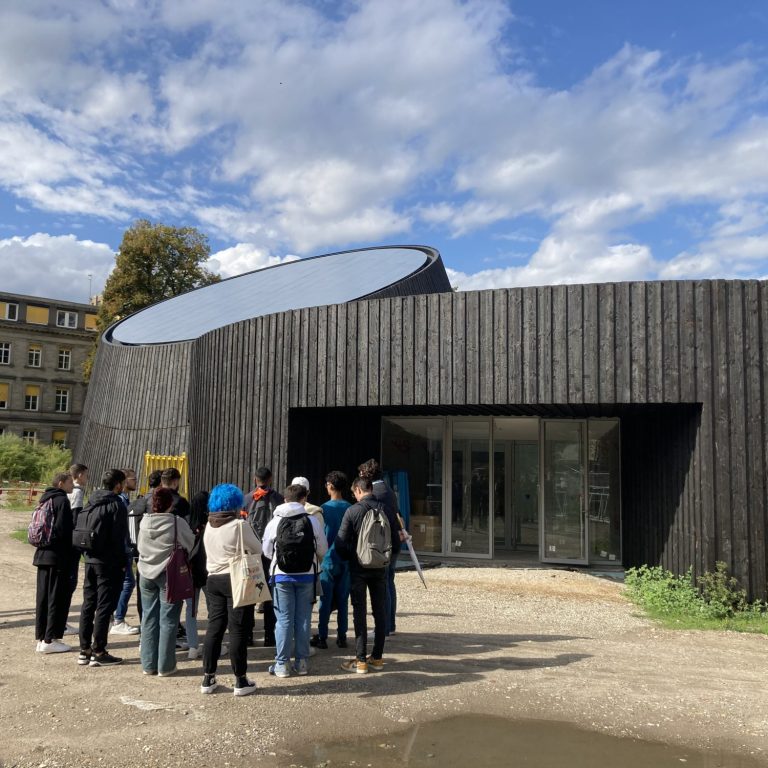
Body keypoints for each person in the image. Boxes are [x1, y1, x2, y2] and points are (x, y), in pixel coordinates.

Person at [336, 476, 404, 674]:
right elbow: (397, 542)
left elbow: (340, 543)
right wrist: (384, 559)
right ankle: (377, 657)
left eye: (353, 492)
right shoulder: (387, 510)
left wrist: (353, 556)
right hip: (380, 568)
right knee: (380, 611)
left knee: (359, 613)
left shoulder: (353, 511)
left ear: (358, 490)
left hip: (358, 568)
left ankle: (360, 660)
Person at [201, 483, 261, 696]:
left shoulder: (209, 524)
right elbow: (258, 548)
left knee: (214, 628)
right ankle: (240, 680)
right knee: (238, 630)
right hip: (235, 579)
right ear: (235, 502)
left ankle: (208, 678)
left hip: (213, 579)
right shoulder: (238, 525)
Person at [262, 484, 328, 678]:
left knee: (283, 619)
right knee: (303, 619)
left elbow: (266, 550)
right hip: (307, 575)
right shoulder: (312, 521)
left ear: (285, 499)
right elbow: (322, 548)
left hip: (281, 575)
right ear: (303, 500)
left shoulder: (275, 521)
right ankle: (302, 663)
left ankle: (282, 664)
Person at [137, 486, 194, 676]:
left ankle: (148, 664)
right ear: (171, 503)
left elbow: (139, 545)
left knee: (148, 617)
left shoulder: (144, 521)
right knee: (168, 620)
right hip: (168, 573)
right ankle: (166, 666)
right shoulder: (176, 522)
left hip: (145, 572)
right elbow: (189, 543)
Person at [77, 469, 128, 667]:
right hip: (108, 562)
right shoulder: (116, 504)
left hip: (89, 558)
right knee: (105, 606)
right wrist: (123, 562)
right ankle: (99, 650)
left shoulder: (92, 501)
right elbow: (119, 537)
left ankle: (84, 649)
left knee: (88, 603)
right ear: (117, 484)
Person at [358, 458, 403, 636]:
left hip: (383, 544)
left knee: (382, 586)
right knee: (389, 584)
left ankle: (383, 627)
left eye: (361, 474)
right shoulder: (387, 489)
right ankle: (389, 625)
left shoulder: (375, 492)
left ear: (366, 475)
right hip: (393, 542)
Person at [33, 472, 75, 653]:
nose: (72, 485)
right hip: (57, 556)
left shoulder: (44, 499)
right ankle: (50, 640)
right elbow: (63, 530)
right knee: (55, 597)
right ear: (61, 483)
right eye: (70, 482)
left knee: (43, 598)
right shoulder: (62, 501)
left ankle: (41, 638)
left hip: (42, 554)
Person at [311, 470, 351, 650]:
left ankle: (322, 636)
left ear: (330, 486)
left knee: (324, 601)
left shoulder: (323, 509)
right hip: (346, 558)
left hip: (328, 558)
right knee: (343, 600)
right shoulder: (350, 508)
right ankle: (342, 637)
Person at [245, 467, 284, 647]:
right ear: (271, 479)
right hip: (271, 552)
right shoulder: (278, 499)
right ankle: (270, 635)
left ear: (255, 479)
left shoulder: (247, 499)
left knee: (250, 593)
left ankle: (248, 635)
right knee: (269, 593)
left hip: (251, 552)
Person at [111, 468, 140, 636]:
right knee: (128, 583)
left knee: (119, 583)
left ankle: (113, 617)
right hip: (123, 547)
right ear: (124, 482)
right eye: (133, 479)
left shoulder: (124, 498)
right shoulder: (121, 499)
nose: (135, 482)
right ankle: (119, 619)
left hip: (122, 546)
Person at [185, 490, 210, 660]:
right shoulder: (212, 525)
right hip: (208, 571)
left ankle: (193, 646)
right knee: (214, 610)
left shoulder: (186, 524)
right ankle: (212, 643)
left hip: (190, 571)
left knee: (191, 611)